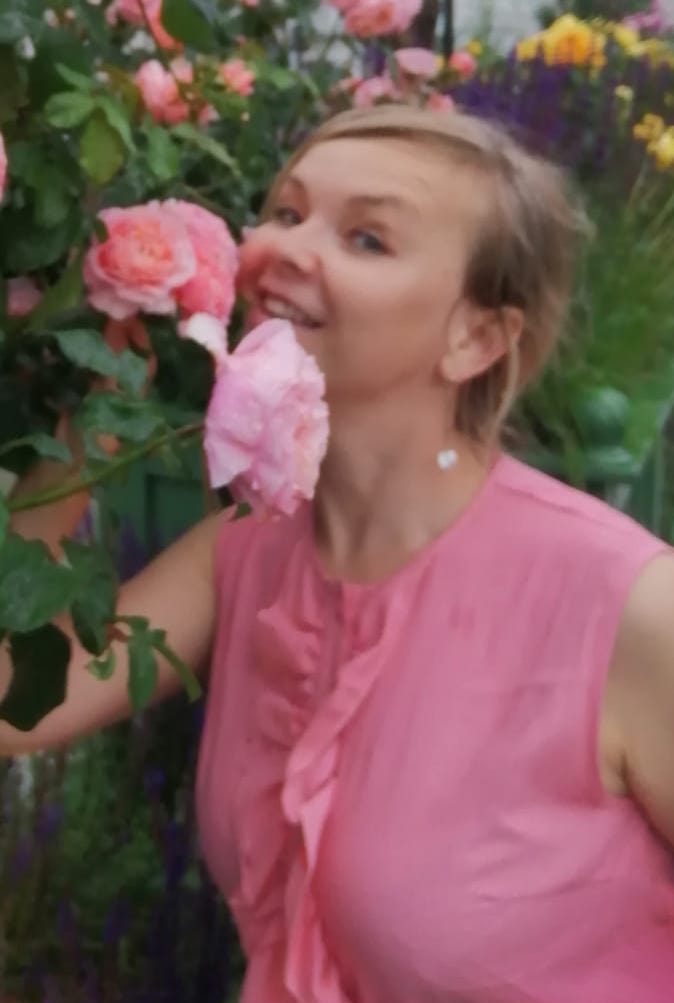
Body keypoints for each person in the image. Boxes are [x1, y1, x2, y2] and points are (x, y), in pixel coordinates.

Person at [2, 104, 674, 1003]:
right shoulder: (244, 550)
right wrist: (93, 407)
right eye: (285, 212)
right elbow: (12, 701)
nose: (284, 247)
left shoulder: (626, 607)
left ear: (475, 337)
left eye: (366, 238)